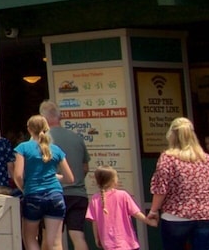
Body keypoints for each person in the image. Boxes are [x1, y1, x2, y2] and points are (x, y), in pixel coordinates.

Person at [147, 117, 209, 250]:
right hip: (206, 215)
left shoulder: (168, 158)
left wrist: (153, 210)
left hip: (176, 214)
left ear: (172, 136)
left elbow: (161, 188)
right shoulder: (206, 158)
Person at [14, 115, 78, 250]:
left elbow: (18, 175)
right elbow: (70, 178)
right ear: (46, 128)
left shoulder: (23, 148)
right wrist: (54, 177)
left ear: (29, 129)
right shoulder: (56, 149)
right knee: (55, 243)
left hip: (33, 195)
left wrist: (24, 189)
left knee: (30, 238)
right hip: (55, 196)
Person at [43, 100, 93, 250]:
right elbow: (85, 167)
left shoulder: (43, 140)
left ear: (43, 118)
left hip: (53, 194)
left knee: (51, 238)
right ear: (60, 117)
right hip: (78, 194)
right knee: (78, 236)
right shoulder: (77, 138)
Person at [89, 166, 156, 250]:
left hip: (107, 243)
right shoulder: (122, 195)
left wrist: (97, 238)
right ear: (113, 180)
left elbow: (94, 221)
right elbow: (136, 213)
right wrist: (149, 221)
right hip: (126, 242)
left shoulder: (95, 198)